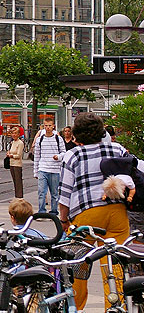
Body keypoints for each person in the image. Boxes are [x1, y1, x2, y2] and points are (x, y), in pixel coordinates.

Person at [59, 112, 130, 311]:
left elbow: (64, 192)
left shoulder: (72, 155)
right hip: (116, 211)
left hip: (85, 215)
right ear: (101, 131)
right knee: (115, 262)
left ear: (76, 134)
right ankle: (115, 306)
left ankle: (77, 307)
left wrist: (64, 219)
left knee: (78, 263)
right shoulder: (117, 149)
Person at [33, 118, 65, 216]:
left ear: (53, 126)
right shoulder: (40, 139)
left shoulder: (58, 139)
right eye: (46, 125)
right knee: (41, 192)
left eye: (49, 125)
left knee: (54, 193)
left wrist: (58, 157)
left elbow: (64, 152)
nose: (48, 128)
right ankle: (42, 211)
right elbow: (37, 156)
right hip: (43, 168)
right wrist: (36, 171)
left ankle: (54, 211)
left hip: (55, 169)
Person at [6, 125, 26, 199]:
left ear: (18, 134)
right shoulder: (13, 142)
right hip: (11, 163)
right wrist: (8, 153)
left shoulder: (20, 143)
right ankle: (16, 196)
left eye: (15, 133)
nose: (14, 135)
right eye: (12, 133)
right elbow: (11, 151)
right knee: (14, 181)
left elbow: (19, 155)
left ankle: (19, 197)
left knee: (18, 182)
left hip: (17, 164)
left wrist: (11, 155)